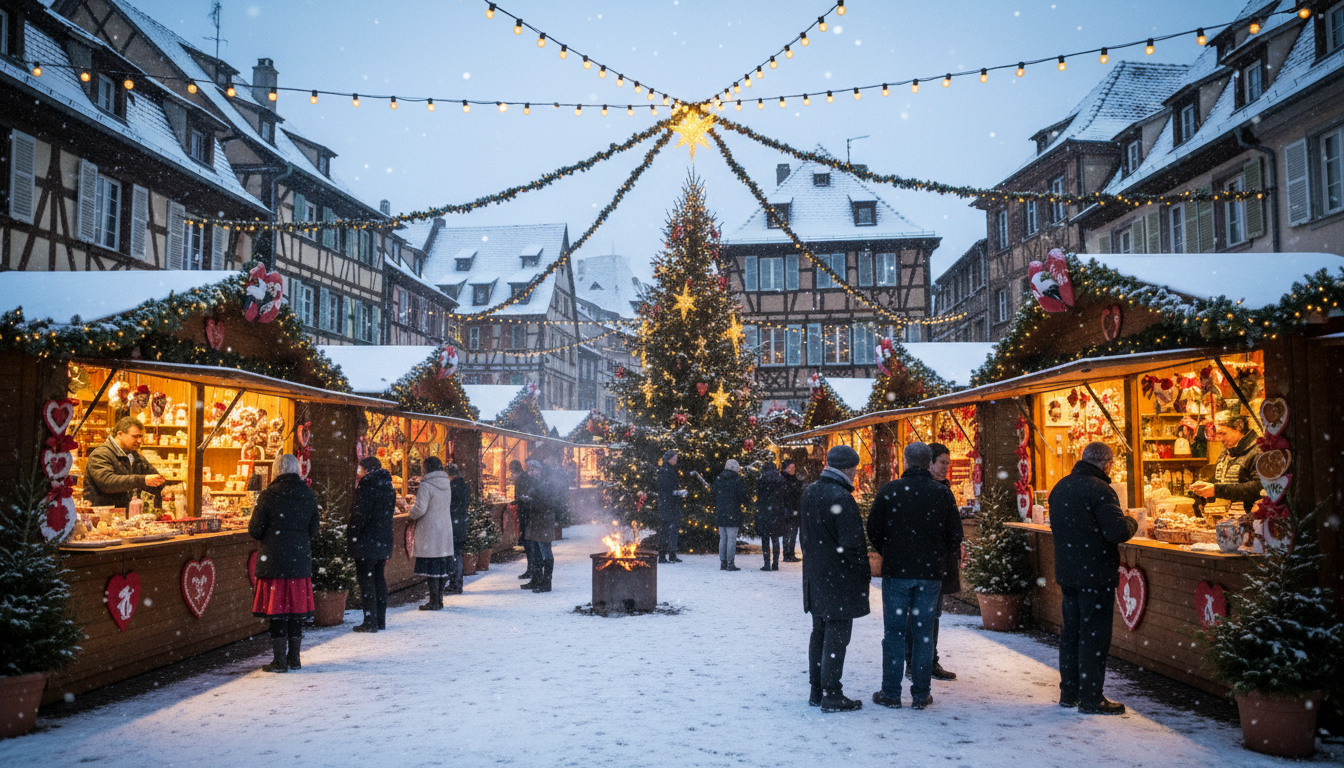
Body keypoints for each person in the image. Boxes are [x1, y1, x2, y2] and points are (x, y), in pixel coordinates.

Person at [867, 442, 962, 711]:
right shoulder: (942, 494)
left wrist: (890, 549)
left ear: (906, 461)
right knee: (923, 634)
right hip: (930, 574)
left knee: (895, 634)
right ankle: (921, 694)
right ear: (928, 462)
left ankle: (891, 693)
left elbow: (873, 529)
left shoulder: (890, 491)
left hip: (897, 572)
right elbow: (956, 535)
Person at [1049, 441, 1138, 715]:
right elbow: (1117, 532)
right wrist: (1132, 520)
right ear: (1107, 463)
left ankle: (1069, 693)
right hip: (1095, 574)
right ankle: (1091, 698)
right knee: (1094, 636)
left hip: (1069, 573)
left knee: (1071, 633)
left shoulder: (1060, 487)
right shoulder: (1102, 490)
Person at [801, 445, 869, 712]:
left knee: (819, 632)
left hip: (816, 575)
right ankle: (831, 693)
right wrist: (862, 572)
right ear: (848, 468)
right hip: (839, 577)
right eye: (855, 468)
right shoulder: (841, 496)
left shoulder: (810, 491)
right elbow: (853, 545)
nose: (855, 473)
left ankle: (817, 690)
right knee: (837, 635)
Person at [248, 454, 320, 672]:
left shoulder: (268, 495)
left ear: (276, 470)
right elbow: (313, 530)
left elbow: (255, 530)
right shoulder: (308, 494)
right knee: (295, 612)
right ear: (297, 470)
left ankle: (279, 661)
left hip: (274, 562)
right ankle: (294, 658)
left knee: (276, 612)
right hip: (298, 561)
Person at [909, 442, 960, 682]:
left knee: (933, 615)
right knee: (920, 615)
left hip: (936, 564)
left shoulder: (943, 490)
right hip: (925, 564)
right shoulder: (930, 490)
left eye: (948, 464)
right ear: (929, 463)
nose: (946, 468)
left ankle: (929, 660)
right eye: (942, 463)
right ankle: (918, 662)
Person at [348, 456, 396, 633]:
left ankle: (370, 620)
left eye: (360, 469)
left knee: (366, 580)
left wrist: (353, 533)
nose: (358, 472)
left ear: (366, 470)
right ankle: (380, 619)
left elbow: (360, 516)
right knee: (378, 578)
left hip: (367, 541)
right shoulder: (388, 487)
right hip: (383, 538)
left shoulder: (367, 487)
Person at [83, 416, 167, 508]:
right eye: (135, 437)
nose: (139, 441)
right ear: (120, 434)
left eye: (141, 437)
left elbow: (153, 477)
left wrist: (164, 488)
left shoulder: (135, 455)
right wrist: (142, 480)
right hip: (103, 517)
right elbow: (107, 482)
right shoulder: (100, 454)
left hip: (127, 516)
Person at [1189, 411, 1263, 513]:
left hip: (1252, 519)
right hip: (1228, 517)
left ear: (1239, 426)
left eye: (1223, 433)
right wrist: (1206, 487)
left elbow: (1260, 487)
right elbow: (1224, 482)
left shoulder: (1258, 451)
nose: (1220, 439)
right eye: (1217, 434)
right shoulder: (1227, 452)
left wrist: (1217, 490)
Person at [409, 456, 453, 611]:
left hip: (430, 529)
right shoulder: (446, 482)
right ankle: (439, 599)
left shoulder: (426, 485)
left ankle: (433, 601)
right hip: (444, 528)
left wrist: (411, 514)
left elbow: (420, 508)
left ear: (426, 468)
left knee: (432, 568)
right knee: (442, 567)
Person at [524, 457, 557, 593]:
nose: (531, 473)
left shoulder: (545, 485)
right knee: (537, 551)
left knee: (545, 552)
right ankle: (538, 579)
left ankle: (546, 581)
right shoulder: (541, 483)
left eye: (533, 470)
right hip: (539, 520)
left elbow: (547, 503)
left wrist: (530, 500)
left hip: (542, 520)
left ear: (539, 471)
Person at [713, 459, 748, 571]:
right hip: (733, 512)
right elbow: (742, 496)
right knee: (731, 539)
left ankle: (723, 562)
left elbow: (713, 493)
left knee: (723, 538)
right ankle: (730, 563)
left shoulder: (719, 479)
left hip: (720, 512)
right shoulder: (737, 480)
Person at [755, 460, 786, 571]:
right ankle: (776, 563)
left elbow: (759, 496)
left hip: (764, 512)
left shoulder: (761, 481)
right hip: (777, 512)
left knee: (765, 539)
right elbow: (783, 496)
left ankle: (767, 563)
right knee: (775, 538)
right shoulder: (781, 481)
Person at [657, 450, 686, 564]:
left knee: (671, 529)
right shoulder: (665, 471)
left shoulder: (668, 470)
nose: (676, 461)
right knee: (666, 529)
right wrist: (677, 493)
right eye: (674, 459)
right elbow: (665, 489)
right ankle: (664, 555)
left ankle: (670, 554)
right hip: (668, 504)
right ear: (669, 459)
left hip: (669, 504)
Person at [511, 459, 537, 584]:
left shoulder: (522, 479)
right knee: (528, 541)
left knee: (528, 542)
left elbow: (523, 496)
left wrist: (517, 500)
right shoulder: (526, 478)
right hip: (525, 512)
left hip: (525, 512)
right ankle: (531, 568)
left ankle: (531, 568)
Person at [446, 463, 471, 594]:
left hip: (453, 524)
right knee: (458, 554)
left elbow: (450, 506)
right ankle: (457, 583)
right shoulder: (464, 486)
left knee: (454, 554)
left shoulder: (452, 487)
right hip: (461, 524)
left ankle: (455, 584)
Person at [780, 460, 804, 562]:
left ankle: (790, 553)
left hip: (794, 510)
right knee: (788, 533)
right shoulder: (784, 480)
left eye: (793, 467)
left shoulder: (794, 480)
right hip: (788, 510)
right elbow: (787, 496)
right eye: (790, 467)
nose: (792, 469)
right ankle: (787, 554)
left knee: (793, 533)